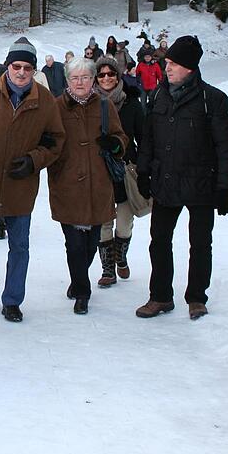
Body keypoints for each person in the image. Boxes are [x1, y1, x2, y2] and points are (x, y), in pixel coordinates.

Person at [135, 36, 228, 321]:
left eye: (173, 63)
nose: (167, 68)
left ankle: (196, 297)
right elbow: (148, 140)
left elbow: (227, 147)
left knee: (200, 243)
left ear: (190, 67)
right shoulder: (158, 95)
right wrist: (144, 172)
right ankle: (160, 297)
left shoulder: (212, 100)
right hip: (166, 182)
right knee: (159, 241)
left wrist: (224, 189)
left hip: (201, 185)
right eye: (167, 62)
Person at [0, 37, 65, 322]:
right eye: (16, 66)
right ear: (8, 66)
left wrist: (35, 160)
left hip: (20, 185)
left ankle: (12, 299)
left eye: (27, 67)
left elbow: (56, 141)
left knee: (19, 246)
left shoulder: (45, 101)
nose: (21, 72)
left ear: (34, 71)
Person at [47, 57, 126, 314]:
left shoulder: (104, 106)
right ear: (67, 80)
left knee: (91, 243)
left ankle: (77, 277)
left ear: (92, 79)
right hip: (67, 185)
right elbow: (45, 140)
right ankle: (82, 291)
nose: (80, 82)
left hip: (98, 185)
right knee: (74, 243)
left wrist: (115, 144)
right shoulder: (56, 107)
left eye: (85, 77)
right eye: (74, 78)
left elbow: (120, 135)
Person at [94, 55, 145, 286]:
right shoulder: (89, 103)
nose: (106, 78)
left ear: (118, 76)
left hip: (125, 169)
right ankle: (107, 269)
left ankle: (120, 257)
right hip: (99, 170)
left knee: (124, 222)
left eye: (111, 74)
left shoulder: (131, 103)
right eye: (102, 74)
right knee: (103, 222)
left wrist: (145, 169)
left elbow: (144, 137)